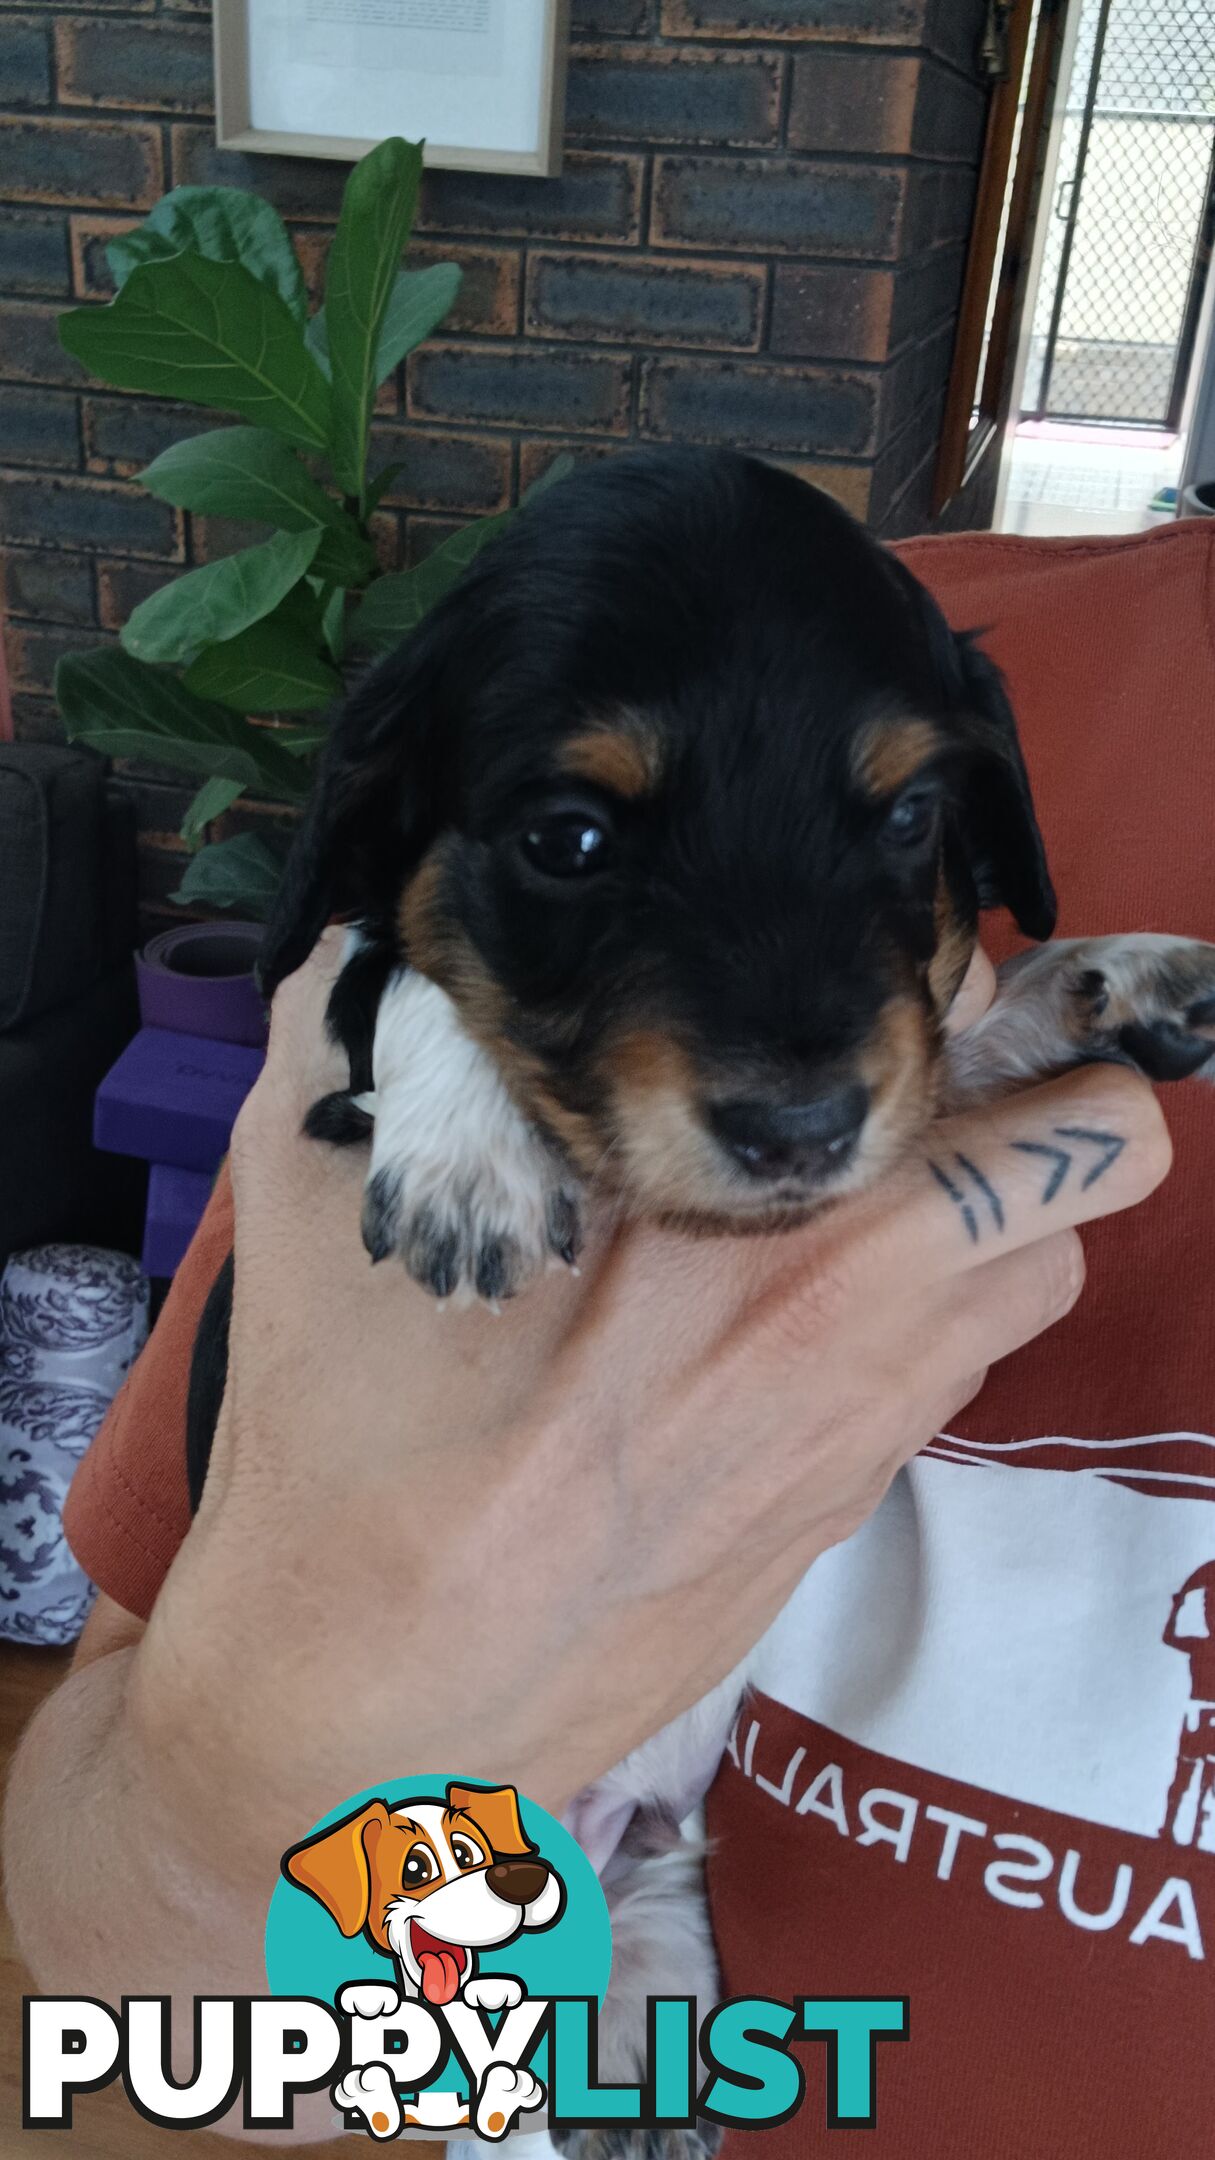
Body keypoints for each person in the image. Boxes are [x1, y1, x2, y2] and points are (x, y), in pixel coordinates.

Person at [7, 521, 1214, 2159]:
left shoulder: (900, 682)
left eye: (904, 816)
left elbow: (920, 1069)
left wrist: (1026, 1002)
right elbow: (366, 995)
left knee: (640, 1954)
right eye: (575, 834)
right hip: (428, 1882)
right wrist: (253, 1807)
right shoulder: (454, 894)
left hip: (648, 1819)